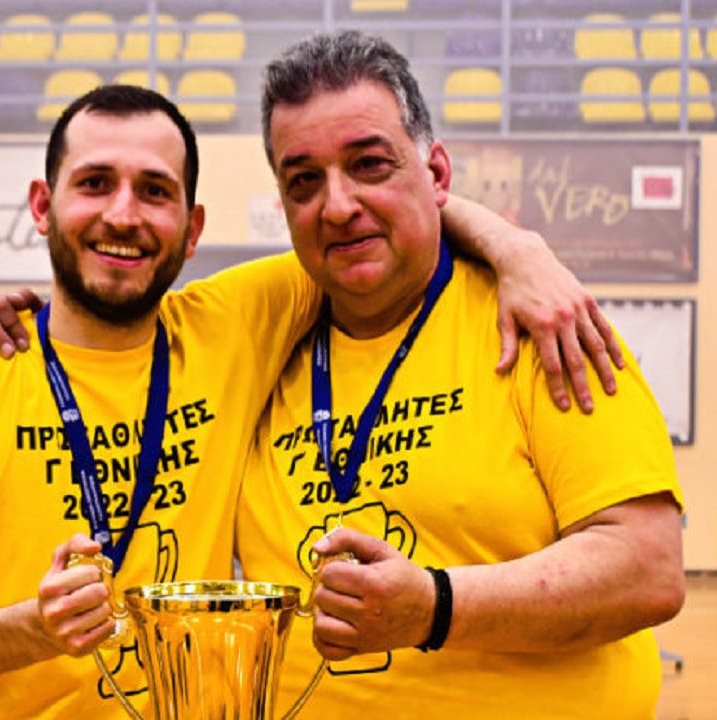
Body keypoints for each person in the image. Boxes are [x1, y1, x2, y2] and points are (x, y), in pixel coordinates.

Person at [0, 85, 617, 720]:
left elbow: (380, 210)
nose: (123, 214)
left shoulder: (235, 324)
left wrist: (520, 250)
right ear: (41, 204)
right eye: (94, 183)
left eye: (155, 191)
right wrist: (33, 627)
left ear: (191, 229)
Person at [233, 31, 685, 719]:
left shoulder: (543, 325)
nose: (338, 205)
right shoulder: (257, 337)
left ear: (437, 174)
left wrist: (436, 607)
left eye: (369, 165)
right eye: (304, 181)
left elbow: (647, 568)